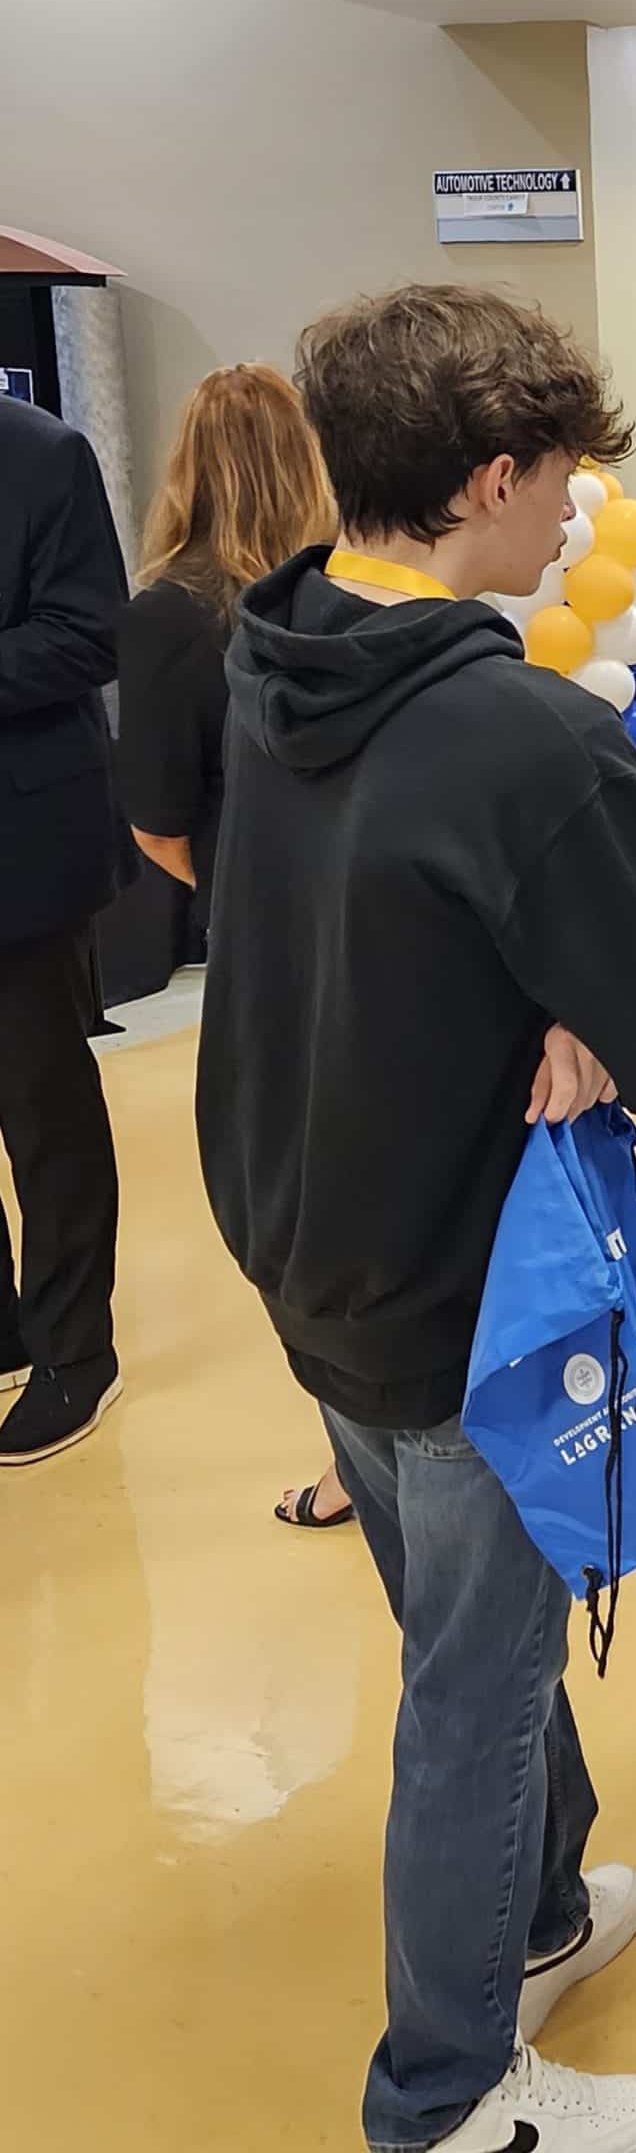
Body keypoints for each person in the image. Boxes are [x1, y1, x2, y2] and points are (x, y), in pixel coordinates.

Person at [198, 283, 636, 2153]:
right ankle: (445, 2091)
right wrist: (597, 1001)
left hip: (295, 1225)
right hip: (461, 1281)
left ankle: (531, 1914)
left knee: (447, 1617)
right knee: (476, 1686)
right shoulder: (528, 742)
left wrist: (550, 991)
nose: (579, 520)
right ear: (494, 481)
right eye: (564, 483)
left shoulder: (271, 650)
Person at [111, 360, 355, 1529]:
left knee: (297, 1209)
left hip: (266, 957)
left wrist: (249, 894)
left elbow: (157, 824)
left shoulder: (171, 614)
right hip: (375, 932)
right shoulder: (349, 596)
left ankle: (354, 1454)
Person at [0, 388, 129, 1467]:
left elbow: (89, 634)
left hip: (21, 851)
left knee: (42, 1111)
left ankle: (75, 1350)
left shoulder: (44, 456)